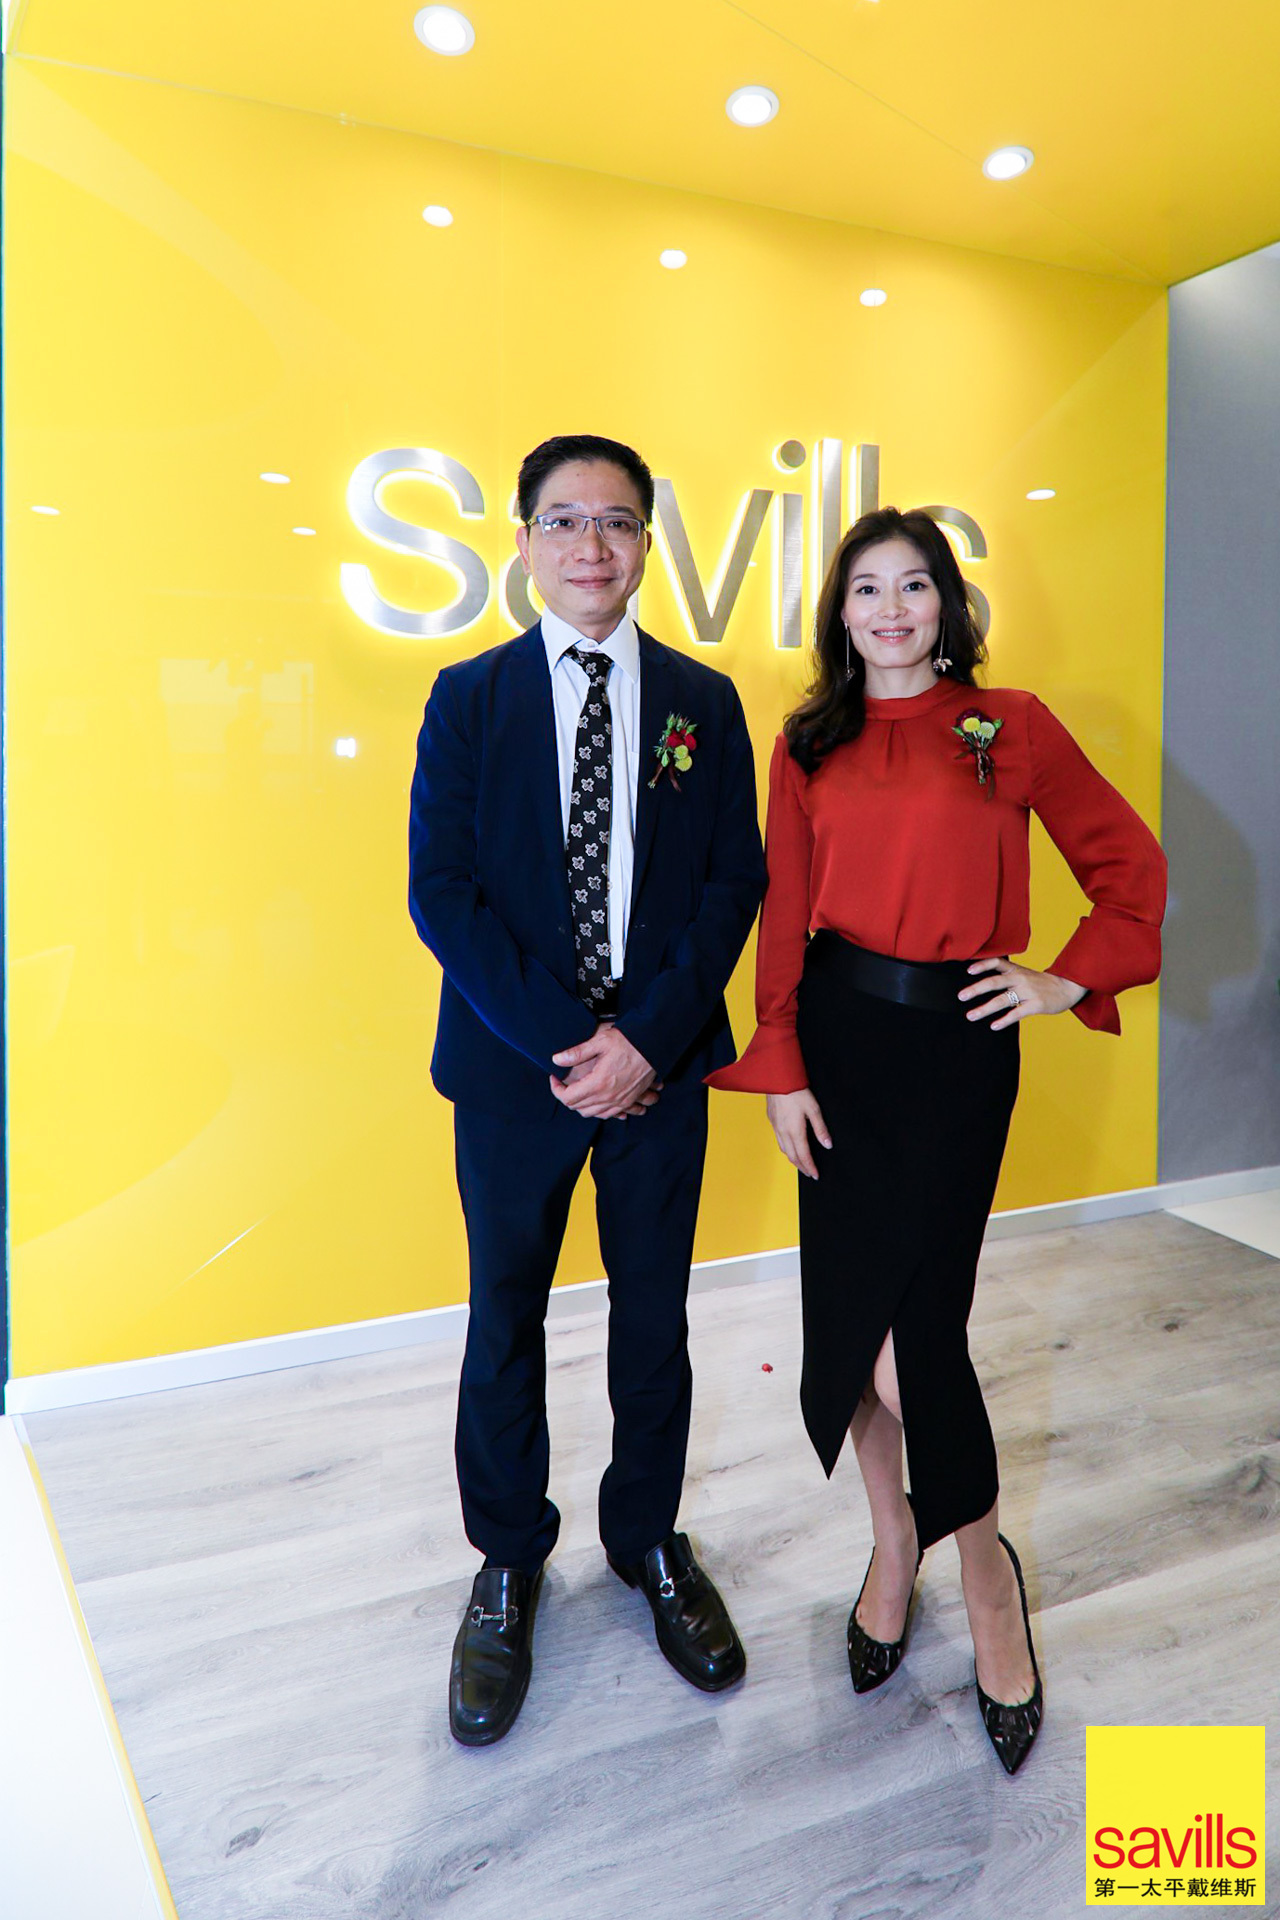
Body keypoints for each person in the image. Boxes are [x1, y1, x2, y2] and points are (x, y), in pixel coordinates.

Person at [708, 507, 1166, 1774]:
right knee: (853, 1323)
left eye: (913, 585)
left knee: (921, 1341)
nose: (891, 609)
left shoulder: (1006, 726)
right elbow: (784, 918)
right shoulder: (805, 743)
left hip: (957, 1058)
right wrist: (780, 1064)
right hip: (839, 1052)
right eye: (866, 589)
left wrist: (1063, 978)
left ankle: (982, 1575)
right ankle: (892, 1540)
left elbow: (1126, 866)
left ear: (946, 606)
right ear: (839, 614)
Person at [409, 433, 766, 1745]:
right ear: (521, 543)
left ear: (646, 545)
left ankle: (647, 1540)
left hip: (658, 1075)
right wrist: (575, 1046)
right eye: (562, 520)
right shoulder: (469, 697)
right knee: (503, 1315)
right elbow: (441, 892)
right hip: (518, 1075)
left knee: (652, 1316)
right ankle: (507, 1559)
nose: (589, 545)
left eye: (615, 521)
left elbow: (732, 882)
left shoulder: (701, 702)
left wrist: (644, 1045)